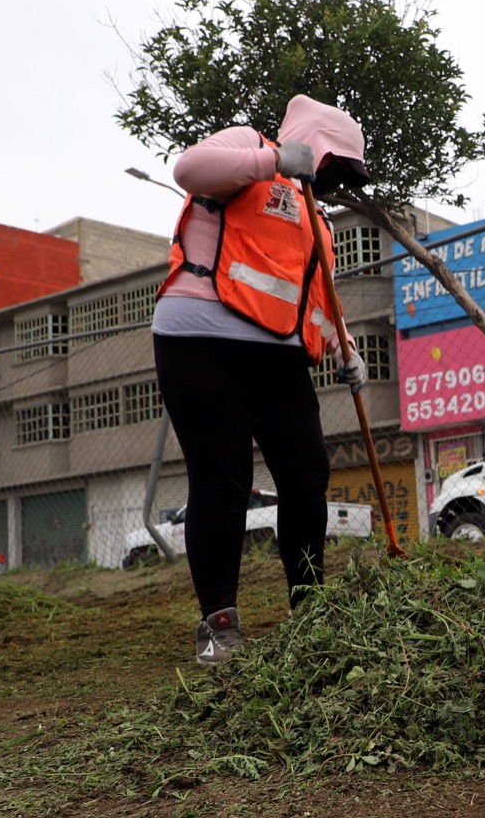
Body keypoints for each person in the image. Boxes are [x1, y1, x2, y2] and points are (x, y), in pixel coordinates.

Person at [152, 95, 371, 666]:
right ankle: (219, 625)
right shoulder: (250, 147)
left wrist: (345, 347)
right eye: (334, 164)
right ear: (313, 145)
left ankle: (311, 611)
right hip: (199, 338)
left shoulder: (314, 218)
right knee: (224, 479)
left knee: (307, 473)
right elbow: (188, 169)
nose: (334, 180)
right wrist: (273, 159)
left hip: (276, 353)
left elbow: (313, 292)